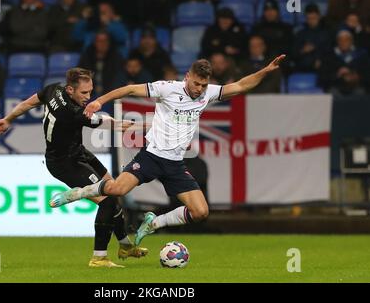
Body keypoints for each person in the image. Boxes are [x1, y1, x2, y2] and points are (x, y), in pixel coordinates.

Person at [50, 55, 285, 246]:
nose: (199, 89)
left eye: (203, 85)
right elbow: (130, 89)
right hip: (151, 156)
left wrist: (265, 71)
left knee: (201, 212)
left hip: (175, 164)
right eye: (196, 83)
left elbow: (242, 85)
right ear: (187, 77)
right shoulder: (167, 88)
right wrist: (99, 102)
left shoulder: (209, 93)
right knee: (115, 189)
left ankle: (154, 223)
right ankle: (76, 194)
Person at [0, 68, 148, 267]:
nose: (88, 98)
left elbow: (29, 103)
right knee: (107, 201)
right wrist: (150, 127)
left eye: (90, 92)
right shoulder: (74, 113)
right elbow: (115, 125)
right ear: (70, 90)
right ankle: (99, 258)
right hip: (65, 164)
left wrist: (8, 119)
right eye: (84, 93)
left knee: (114, 192)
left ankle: (125, 246)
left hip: (78, 153)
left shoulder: (53, 89)